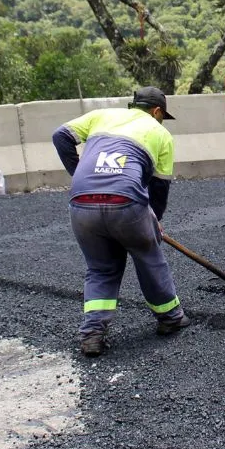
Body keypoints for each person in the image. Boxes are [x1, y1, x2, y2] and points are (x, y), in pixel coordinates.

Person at [51, 86, 191, 357]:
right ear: (157, 111)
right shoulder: (160, 133)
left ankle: (92, 334)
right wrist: (154, 220)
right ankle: (171, 318)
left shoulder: (102, 116)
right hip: (126, 204)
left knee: (101, 269)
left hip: (81, 202)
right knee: (148, 256)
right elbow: (159, 187)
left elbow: (60, 136)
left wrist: (79, 173)